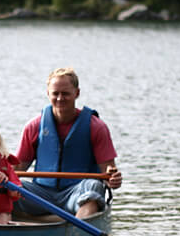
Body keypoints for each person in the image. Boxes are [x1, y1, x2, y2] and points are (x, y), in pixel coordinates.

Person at [14, 67, 122, 218]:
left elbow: (108, 171)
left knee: (95, 185)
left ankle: (77, 233)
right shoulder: (33, 126)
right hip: (41, 195)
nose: (60, 98)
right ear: (48, 94)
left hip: (76, 193)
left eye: (65, 93)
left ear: (76, 93)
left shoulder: (96, 127)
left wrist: (113, 179)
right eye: (55, 93)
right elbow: (18, 169)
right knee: (7, 188)